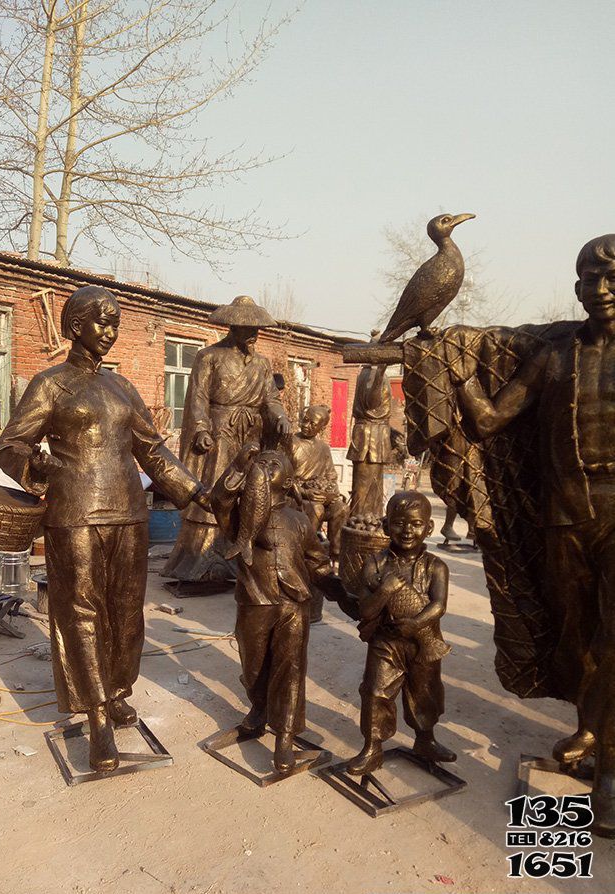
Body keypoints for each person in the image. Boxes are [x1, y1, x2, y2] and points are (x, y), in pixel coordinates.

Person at [0, 286, 209, 771]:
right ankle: (95, 719)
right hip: (74, 516)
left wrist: (197, 492)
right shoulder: (50, 385)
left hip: (129, 514)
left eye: (115, 323)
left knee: (127, 614)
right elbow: (11, 445)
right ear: (75, 327)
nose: (110, 332)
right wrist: (37, 467)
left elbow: (153, 451)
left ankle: (115, 692)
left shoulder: (123, 388)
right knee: (82, 613)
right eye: (101, 322)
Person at [454, 234, 615, 834]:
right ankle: (592, 725)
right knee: (571, 630)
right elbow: (492, 418)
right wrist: (452, 369)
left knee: (614, 637)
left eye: (611, 279)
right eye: (588, 280)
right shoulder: (556, 357)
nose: (599, 291)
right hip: (567, 512)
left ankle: (608, 766)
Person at [211, 444, 336, 772]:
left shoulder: (300, 519)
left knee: (289, 669)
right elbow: (219, 500)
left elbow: (318, 563)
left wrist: (346, 595)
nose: (264, 466)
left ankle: (284, 737)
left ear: (288, 480)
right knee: (253, 666)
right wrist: (239, 464)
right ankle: (259, 707)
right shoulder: (241, 514)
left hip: (294, 605)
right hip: (255, 600)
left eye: (274, 464)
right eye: (261, 462)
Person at [163, 296, 291, 584]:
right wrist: (201, 429)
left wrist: (280, 416)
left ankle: (239, 552)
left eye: (257, 327)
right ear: (233, 326)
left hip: (251, 434)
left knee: (249, 491)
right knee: (217, 488)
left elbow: (271, 399)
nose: (254, 332)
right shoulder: (209, 356)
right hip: (221, 431)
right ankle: (201, 557)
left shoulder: (261, 364)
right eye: (248, 327)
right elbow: (197, 396)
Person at [344, 490, 455, 776]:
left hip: (423, 641)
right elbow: (365, 610)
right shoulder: (374, 564)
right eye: (399, 523)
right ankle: (372, 747)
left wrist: (416, 624)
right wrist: (385, 590)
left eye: (416, 524)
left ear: (429, 528)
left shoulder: (436, 566)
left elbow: (439, 605)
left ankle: (425, 739)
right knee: (375, 692)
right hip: (386, 641)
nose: (407, 530)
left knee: (426, 693)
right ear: (385, 525)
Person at [285, 405, 348, 562]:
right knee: (316, 509)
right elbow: (281, 478)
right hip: (294, 497)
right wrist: (305, 492)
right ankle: (307, 555)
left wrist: (331, 494)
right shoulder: (290, 444)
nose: (306, 425)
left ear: (322, 427)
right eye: (305, 420)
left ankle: (335, 555)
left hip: (318, 495)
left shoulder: (323, 449)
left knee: (341, 509)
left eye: (312, 423)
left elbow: (331, 477)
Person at [348, 344, 393, 518]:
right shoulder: (372, 374)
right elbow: (372, 402)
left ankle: (370, 518)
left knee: (374, 486)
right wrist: (380, 373)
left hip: (375, 433)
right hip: (369, 434)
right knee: (365, 485)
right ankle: (362, 521)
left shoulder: (367, 373)